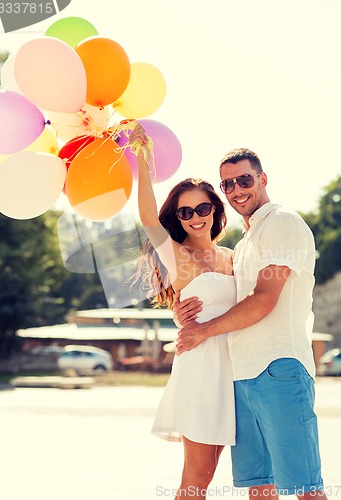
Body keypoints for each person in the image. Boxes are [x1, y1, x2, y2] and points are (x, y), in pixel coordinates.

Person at [175, 147, 327, 500]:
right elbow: (218, 295)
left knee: (306, 489)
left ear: (262, 179)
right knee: (259, 488)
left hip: (279, 368)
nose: (237, 190)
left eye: (244, 179)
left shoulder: (282, 223)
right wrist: (183, 313)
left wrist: (202, 331)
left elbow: (264, 298)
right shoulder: (244, 243)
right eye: (227, 184)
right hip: (240, 376)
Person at [128, 123, 237, 500]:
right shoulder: (179, 256)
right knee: (197, 478)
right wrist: (142, 159)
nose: (194, 216)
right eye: (185, 210)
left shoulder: (233, 257)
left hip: (239, 371)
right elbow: (147, 219)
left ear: (215, 208)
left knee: (226, 472)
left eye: (202, 207)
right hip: (202, 371)